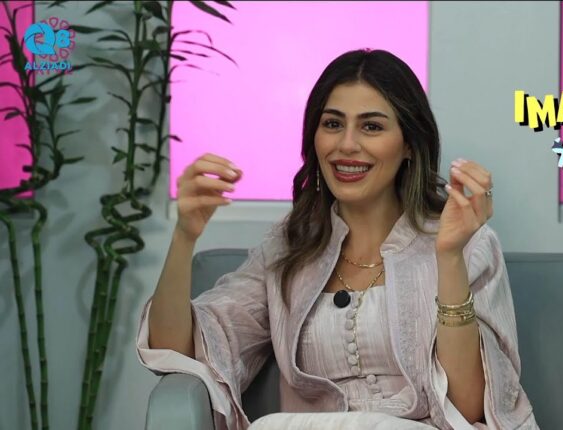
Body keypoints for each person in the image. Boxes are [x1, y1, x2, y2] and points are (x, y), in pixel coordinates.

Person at [137, 48, 538, 430]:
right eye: (332, 124)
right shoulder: (287, 248)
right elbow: (175, 351)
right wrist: (184, 236)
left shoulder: (468, 244)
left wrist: (449, 257)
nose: (347, 144)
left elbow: (470, 408)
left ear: (409, 145)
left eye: (371, 126)